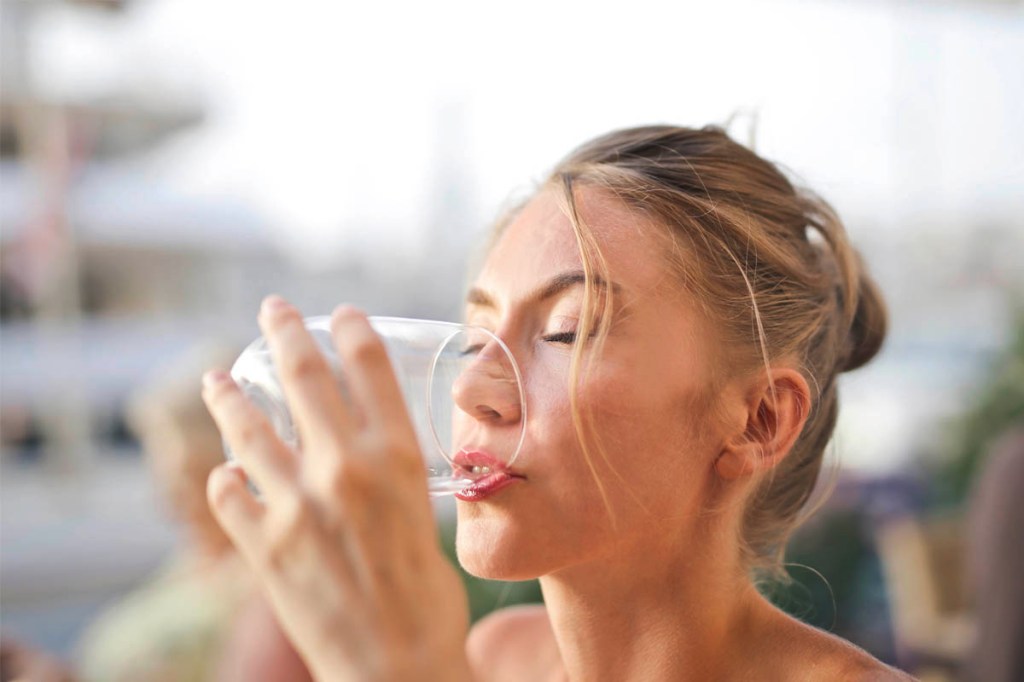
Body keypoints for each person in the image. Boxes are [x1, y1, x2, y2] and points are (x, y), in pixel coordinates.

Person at [201, 125, 915, 680]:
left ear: (757, 420)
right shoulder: (496, 659)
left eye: (567, 331)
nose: (471, 389)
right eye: (478, 336)